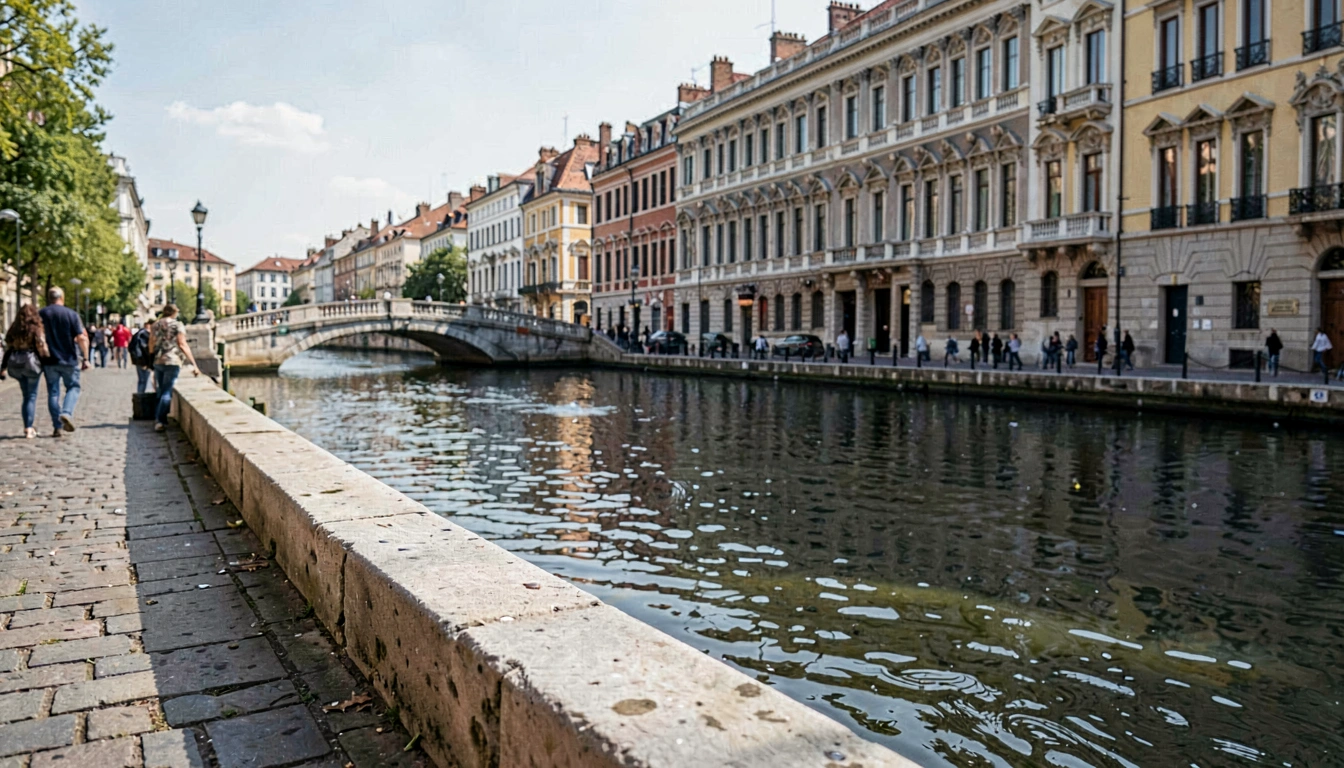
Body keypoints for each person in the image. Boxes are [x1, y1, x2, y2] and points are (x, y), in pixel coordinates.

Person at [39, 287, 90, 436]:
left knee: (53, 392)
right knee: (73, 387)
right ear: (62, 297)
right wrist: (86, 358)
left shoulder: (41, 314)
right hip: (69, 359)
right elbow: (81, 337)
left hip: (49, 360)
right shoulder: (71, 314)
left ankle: (57, 426)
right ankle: (67, 413)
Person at [147, 305, 200, 432]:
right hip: (173, 360)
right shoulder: (178, 325)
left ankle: (158, 418)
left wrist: (151, 355)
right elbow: (182, 344)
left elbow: (151, 342)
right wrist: (194, 363)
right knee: (167, 391)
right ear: (174, 313)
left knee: (160, 389)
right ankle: (160, 421)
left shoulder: (155, 325)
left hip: (158, 360)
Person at [0, 304, 50, 439]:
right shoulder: (35, 328)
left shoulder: (13, 330)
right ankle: (29, 428)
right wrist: (46, 362)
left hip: (16, 364)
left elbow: (8, 349)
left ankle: (27, 425)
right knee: (31, 396)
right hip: (31, 363)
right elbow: (41, 346)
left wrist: (3, 367)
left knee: (26, 396)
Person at [129, 320, 155, 393]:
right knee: (145, 381)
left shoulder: (137, 334)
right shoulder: (145, 334)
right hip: (143, 360)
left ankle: (140, 397)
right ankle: (142, 399)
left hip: (138, 359)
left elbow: (130, 347)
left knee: (141, 380)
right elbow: (146, 349)